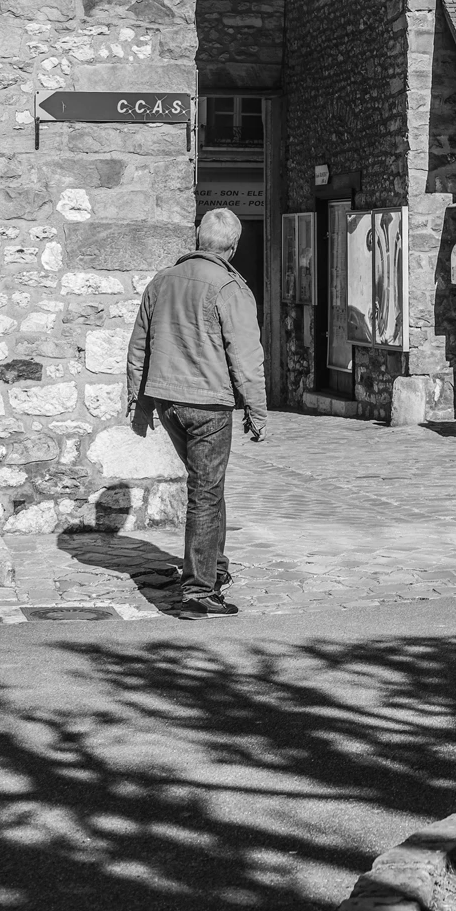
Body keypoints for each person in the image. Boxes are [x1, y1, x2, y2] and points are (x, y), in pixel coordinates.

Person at [125, 208, 268, 619]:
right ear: (234, 246)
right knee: (205, 491)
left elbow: (139, 347)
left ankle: (214, 569)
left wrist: (139, 401)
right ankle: (198, 592)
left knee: (209, 483)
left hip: (168, 401)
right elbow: (246, 357)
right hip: (207, 403)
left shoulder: (162, 281)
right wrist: (256, 411)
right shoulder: (229, 286)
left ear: (199, 239)